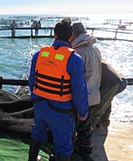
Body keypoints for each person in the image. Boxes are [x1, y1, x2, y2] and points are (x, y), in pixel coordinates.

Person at [28, 21, 88, 161]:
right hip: (61, 111)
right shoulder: (74, 59)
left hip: (40, 105)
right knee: (63, 145)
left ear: (54, 34)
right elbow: (79, 90)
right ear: (71, 36)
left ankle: (32, 158)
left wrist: (38, 97)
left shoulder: (39, 55)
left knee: (37, 133)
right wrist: (82, 112)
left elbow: (32, 81)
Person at [70, 22, 102, 161]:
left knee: (76, 128)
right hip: (95, 95)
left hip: (82, 98)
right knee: (86, 129)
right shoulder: (95, 49)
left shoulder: (78, 53)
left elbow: (76, 81)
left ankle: (77, 154)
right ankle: (86, 152)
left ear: (73, 34)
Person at [92, 61, 127, 129]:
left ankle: (92, 128)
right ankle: (104, 121)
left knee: (99, 108)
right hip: (120, 81)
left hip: (113, 83)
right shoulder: (98, 60)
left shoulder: (92, 63)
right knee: (107, 101)